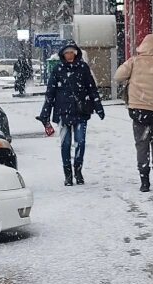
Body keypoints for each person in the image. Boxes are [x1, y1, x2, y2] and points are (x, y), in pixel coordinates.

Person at [114, 34, 153, 193]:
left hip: (138, 110)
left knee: (141, 143)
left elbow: (118, 76)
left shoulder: (134, 61)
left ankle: (144, 181)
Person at [37, 41, 105, 186]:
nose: (69, 55)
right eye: (67, 52)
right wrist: (45, 113)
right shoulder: (58, 69)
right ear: (63, 54)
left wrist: (98, 107)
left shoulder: (83, 68)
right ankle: (68, 174)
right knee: (65, 144)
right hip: (63, 112)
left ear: (76, 53)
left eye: (72, 52)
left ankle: (78, 171)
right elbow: (50, 93)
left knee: (80, 142)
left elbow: (91, 88)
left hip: (81, 111)